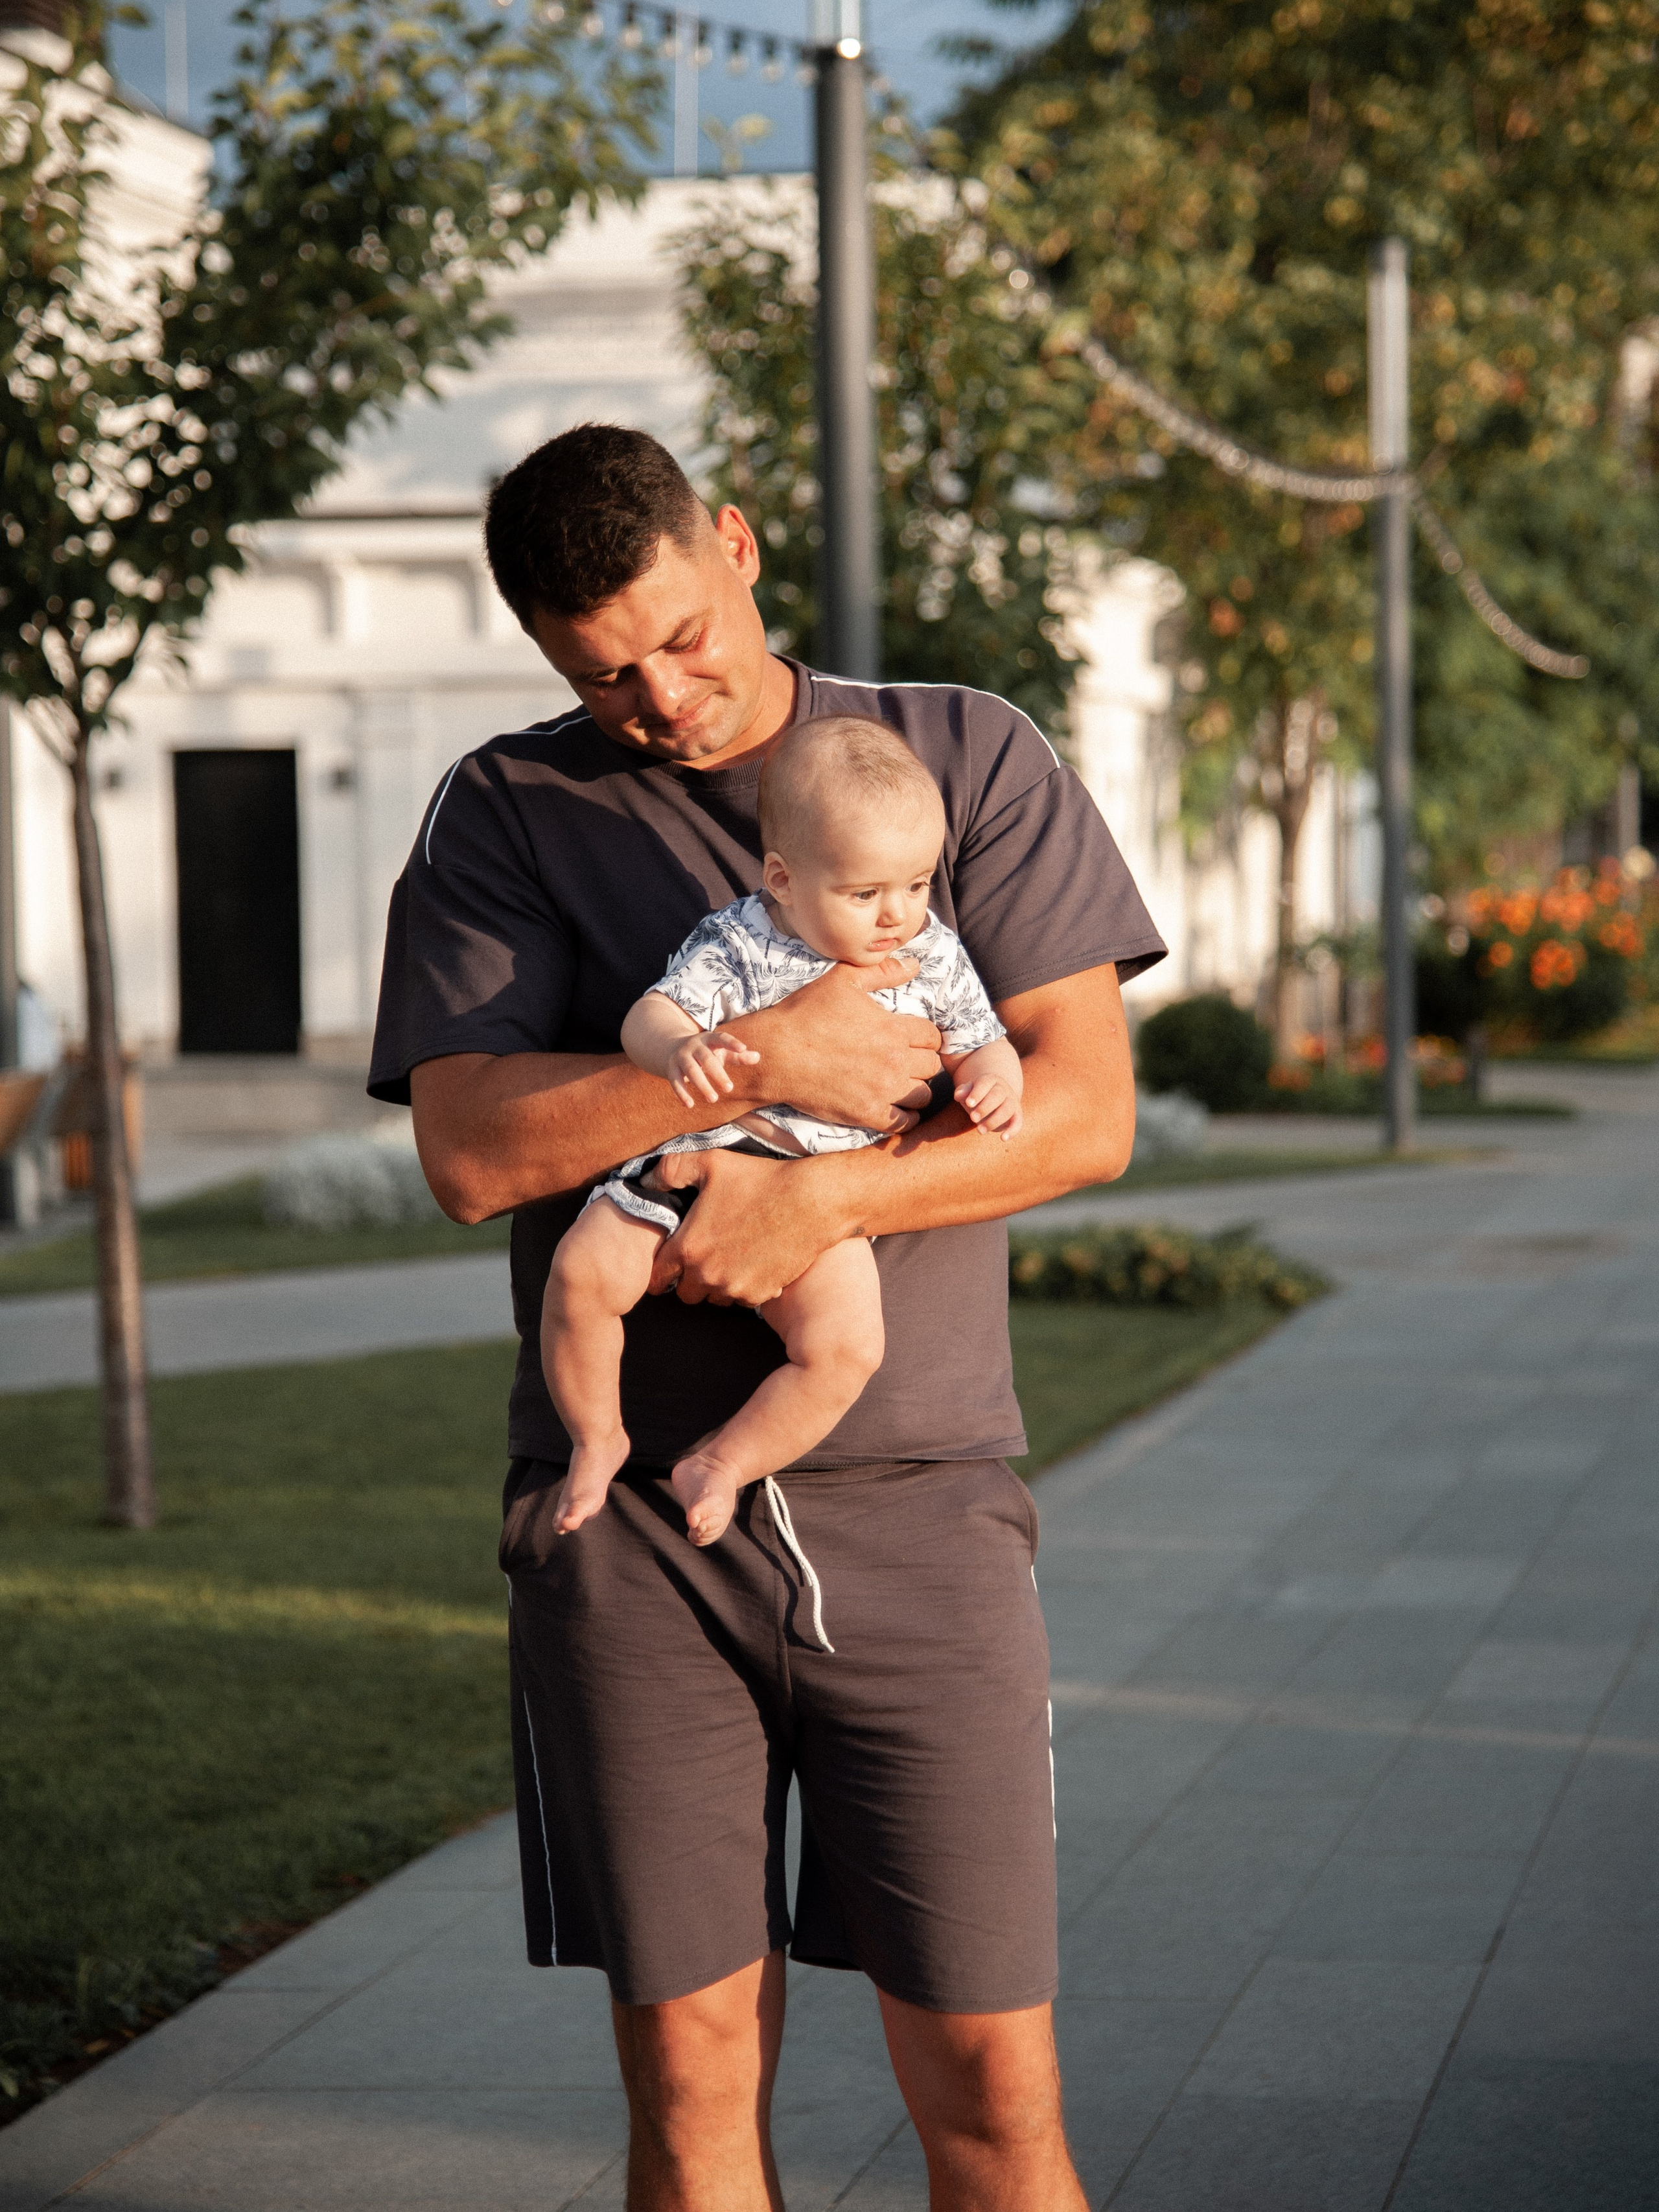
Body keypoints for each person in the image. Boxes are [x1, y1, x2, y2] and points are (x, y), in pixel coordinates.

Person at [370, 422, 1166, 2211]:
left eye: (681, 638)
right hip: (633, 1539)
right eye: (603, 674)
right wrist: (751, 1065)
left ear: (734, 543)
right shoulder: (507, 810)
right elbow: (469, 1150)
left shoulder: (961, 755)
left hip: (923, 1510)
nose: (659, 699)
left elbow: (1084, 1111)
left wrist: (821, 1197)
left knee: (995, 2095)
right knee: (692, 2089)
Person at [544, 713, 1023, 1550]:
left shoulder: (932, 951)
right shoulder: (741, 939)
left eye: (917, 884)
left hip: (822, 1191)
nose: (897, 914)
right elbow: (650, 1016)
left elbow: (981, 1037)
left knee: (847, 1348)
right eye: (864, 894)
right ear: (784, 879)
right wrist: (680, 1047)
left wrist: (993, 1076)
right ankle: (597, 1436)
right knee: (581, 1276)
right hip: (701, 1154)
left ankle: (723, 1463)